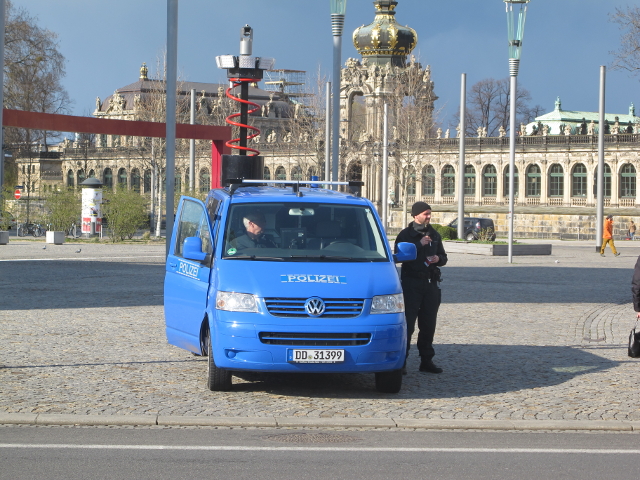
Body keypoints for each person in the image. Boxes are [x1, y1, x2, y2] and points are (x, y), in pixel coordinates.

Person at [394, 201, 448, 374]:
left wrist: (438, 259)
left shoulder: (434, 234)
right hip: (412, 284)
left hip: (430, 284)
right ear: (416, 215)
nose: (428, 216)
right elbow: (399, 257)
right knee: (408, 325)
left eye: (429, 213)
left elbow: (443, 256)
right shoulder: (405, 235)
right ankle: (402, 362)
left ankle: (426, 360)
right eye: (425, 213)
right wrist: (419, 245)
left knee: (428, 324)